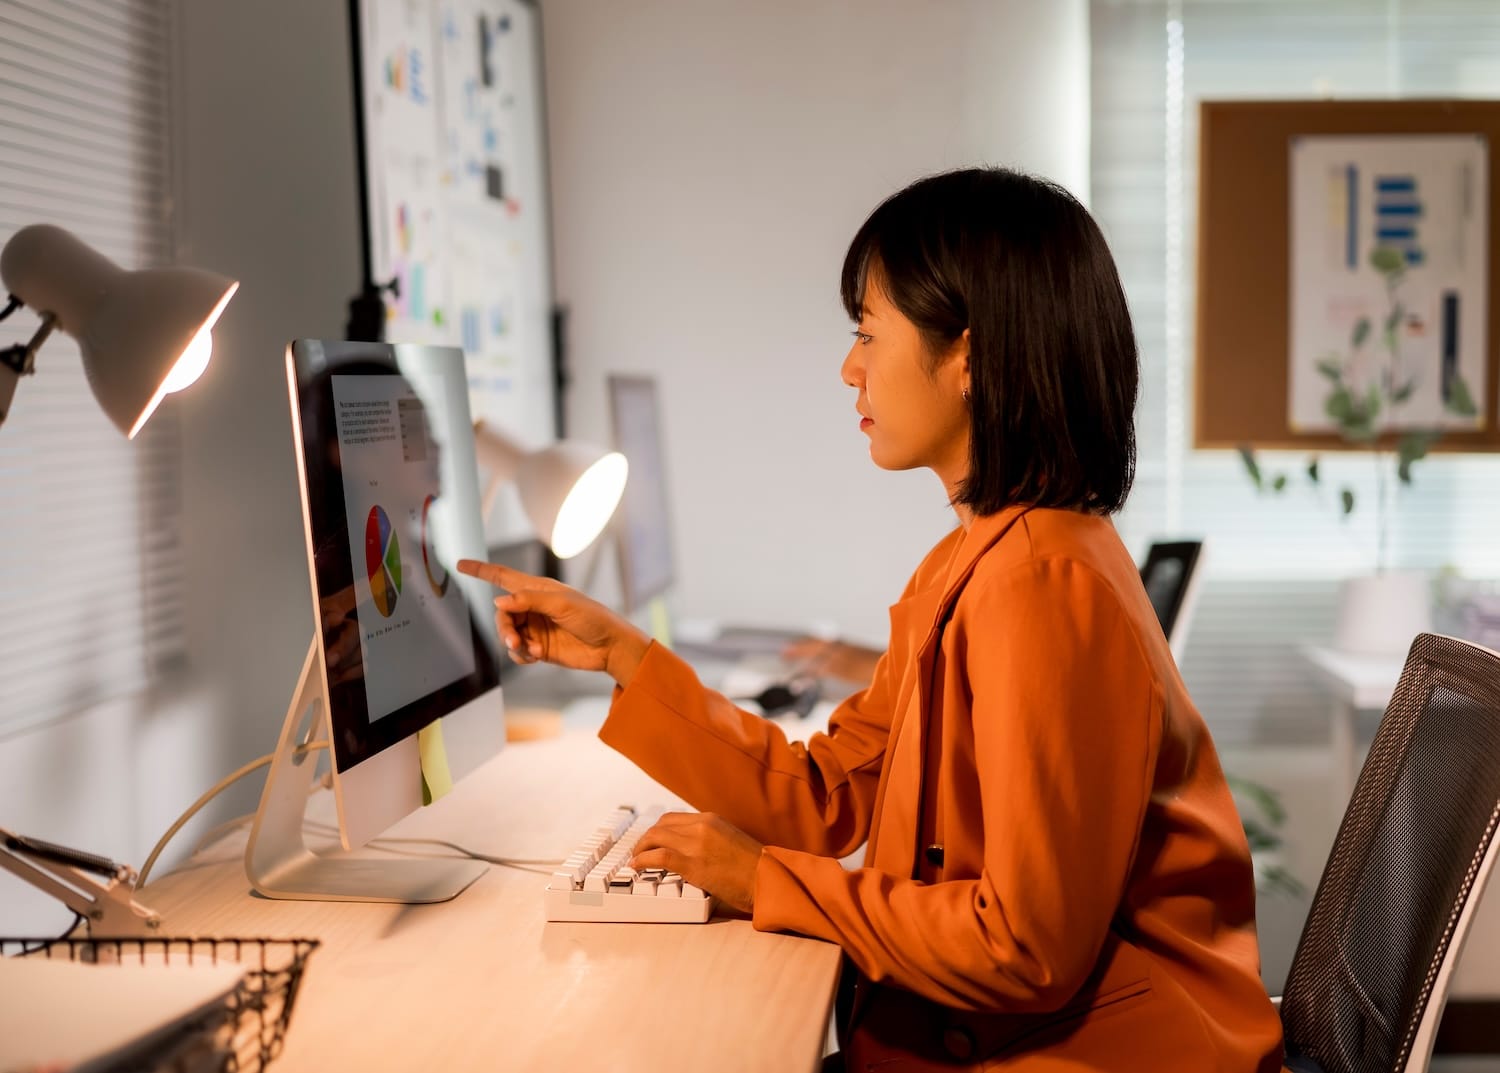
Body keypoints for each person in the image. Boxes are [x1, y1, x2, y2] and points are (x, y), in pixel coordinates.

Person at [459, 167, 1286, 1072]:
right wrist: (625, 655)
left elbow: (1025, 945)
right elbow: (826, 795)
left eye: (867, 332)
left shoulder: (1048, 584)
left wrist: (763, 878)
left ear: (968, 356)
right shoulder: (972, 561)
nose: (849, 366)